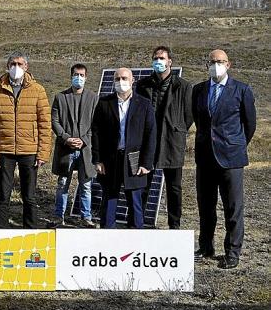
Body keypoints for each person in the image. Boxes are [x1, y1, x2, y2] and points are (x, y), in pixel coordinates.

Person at [192, 49, 256, 269]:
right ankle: (206, 246)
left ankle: (232, 251)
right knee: (205, 206)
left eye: (220, 62)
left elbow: (250, 125)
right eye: (212, 62)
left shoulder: (241, 90)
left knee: (233, 207)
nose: (216, 65)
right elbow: (199, 120)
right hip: (205, 157)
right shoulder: (198, 90)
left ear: (228, 65)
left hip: (231, 158)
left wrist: (235, 145)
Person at [0, 52, 52, 229]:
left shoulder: (38, 90)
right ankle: (0, 231)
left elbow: (45, 124)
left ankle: (30, 231)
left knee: (29, 196)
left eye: (20, 64)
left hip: (29, 151)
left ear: (26, 67)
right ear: (7, 66)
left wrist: (42, 153)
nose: (16, 67)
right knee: (3, 195)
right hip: (4, 151)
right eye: (13, 64)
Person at [135, 46, 193, 229]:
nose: (158, 61)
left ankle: (174, 226)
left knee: (174, 187)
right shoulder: (143, 85)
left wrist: (177, 128)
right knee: (143, 184)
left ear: (170, 62)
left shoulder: (182, 86)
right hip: (148, 142)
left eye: (161, 58)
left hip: (172, 142)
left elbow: (188, 114)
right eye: (155, 58)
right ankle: (139, 223)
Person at [91, 68, 156, 229]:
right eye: (118, 78)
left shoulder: (144, 104)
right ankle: (107, 236)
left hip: (134, 159)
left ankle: (135, 238)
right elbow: (96, 133)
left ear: (132, 80)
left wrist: (146, 163)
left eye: (125, 78)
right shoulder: (104, 103)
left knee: (135, 201)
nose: (121, 82)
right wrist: (97, 159)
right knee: (109, 200)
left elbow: (151, 134)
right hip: (110, 159)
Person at [48, 63, 99, 228]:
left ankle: (86, 218)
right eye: (76, 75)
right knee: (63, 183)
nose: (79, 78)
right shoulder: (60, 97)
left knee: (85, 185)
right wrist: (66, 137)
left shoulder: (93, 98)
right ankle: (58, 217)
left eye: (82, 75)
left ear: (86, 77)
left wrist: (84, 139)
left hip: (86, 149)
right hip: (66, 148)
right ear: (71, 76)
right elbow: (54, 121)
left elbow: (96, 124)